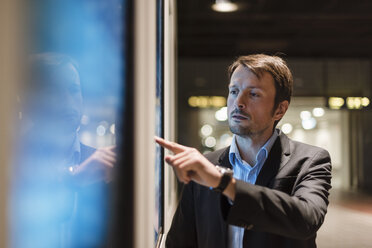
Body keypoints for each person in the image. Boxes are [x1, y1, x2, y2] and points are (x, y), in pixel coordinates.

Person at [156, 54, 332, 248]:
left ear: (280, 110)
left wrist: (223, 182)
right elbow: (180, 243)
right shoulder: (206, 164)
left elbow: (307, 220)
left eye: (253, 94)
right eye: (234, 91)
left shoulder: (310, 160)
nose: (239, 102)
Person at [12, 53, 116, 247]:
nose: (68, 100)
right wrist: (74, 180)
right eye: (55, 91)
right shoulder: (12, 162)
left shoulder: (103, 166)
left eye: (74, 90)